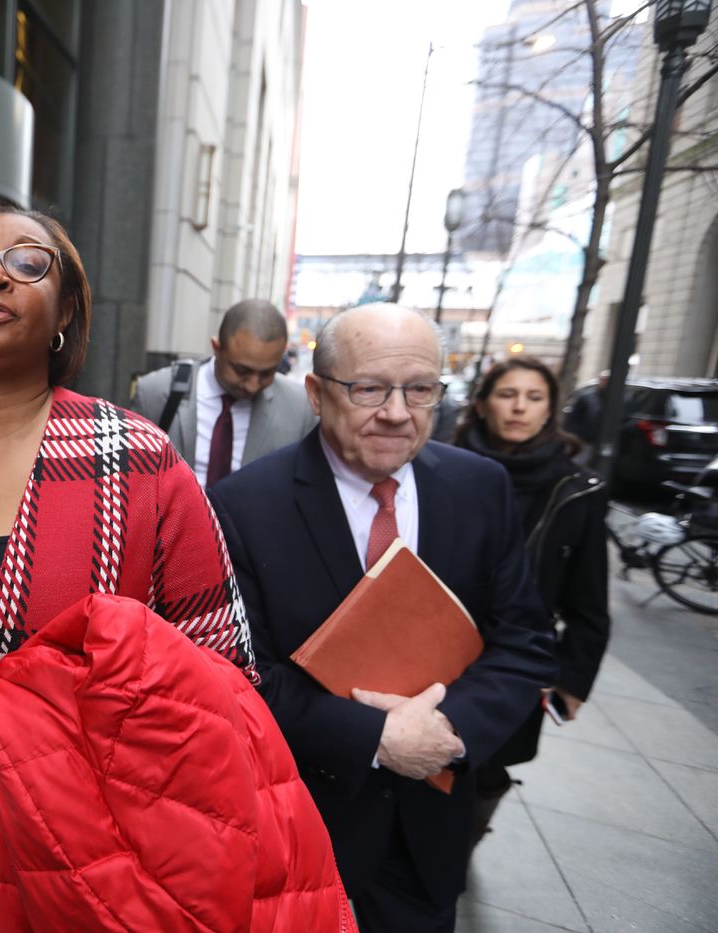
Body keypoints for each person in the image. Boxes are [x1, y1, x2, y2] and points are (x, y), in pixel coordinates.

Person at [0, 206, 353, 931]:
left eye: (29, 263)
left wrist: (16, 733)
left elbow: (222, 682)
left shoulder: (139, 460)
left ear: (65, 313)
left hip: (96, 853)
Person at [210, 303, 556, 933]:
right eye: (368, 387)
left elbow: (524, 642)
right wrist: (375, 740)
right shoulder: (243, 506)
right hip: (299, 832)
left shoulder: (480, 488)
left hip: (430, 837)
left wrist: (447, 731)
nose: (397, 412)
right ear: (316, 393)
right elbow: (237, 676)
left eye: (420, 388)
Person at [454, 357, 609, 842]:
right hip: (441, 640)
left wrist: (573, 677)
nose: (520, 407)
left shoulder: (576, 490)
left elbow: (589, 599)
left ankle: (465, 839)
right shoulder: (443, 468)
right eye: (506, 394)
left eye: (535, 397)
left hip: (520, 656)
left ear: (550, 411)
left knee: (487, 763)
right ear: (481, 405)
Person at [130, 299, 317, 488]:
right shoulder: (154, 392)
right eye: (241, 370)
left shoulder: (300, 408)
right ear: (217, 349)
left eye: (267, 373)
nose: (252, 385)